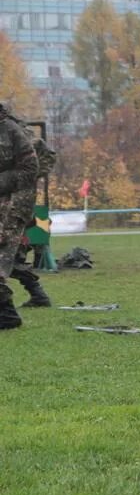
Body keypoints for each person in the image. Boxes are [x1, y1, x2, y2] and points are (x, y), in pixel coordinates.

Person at [0, 100, 38, 330]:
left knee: (2, 256)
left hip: (14, 203)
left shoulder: (10, 130)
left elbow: (30, 168)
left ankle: (7, 315)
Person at [11, 124, 57, 308]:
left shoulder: (19, 138)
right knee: (11, 257)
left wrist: (31, 175)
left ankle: (37, 295)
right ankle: (38, 295)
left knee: (10, 257)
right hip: (14, 206)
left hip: (15, 207)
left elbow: (46, 154)